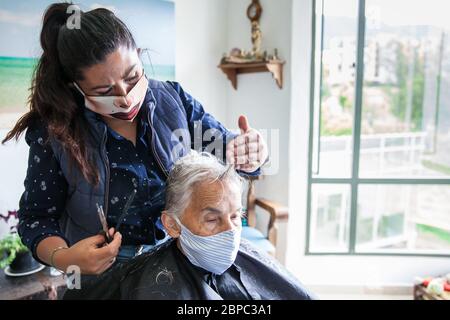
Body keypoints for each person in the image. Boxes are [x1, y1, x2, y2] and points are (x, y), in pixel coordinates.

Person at [2, 3, 268, 276]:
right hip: (106, 275)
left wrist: (250, 153)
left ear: (139, 57)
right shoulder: (54, 133)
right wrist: (65, 257)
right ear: (77, 87)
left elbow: (230, 151)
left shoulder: (173, 101)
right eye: (105, 91)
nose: (126, 98)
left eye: (132, 77)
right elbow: (37, 220)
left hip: (177, 258)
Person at [64, 151, 314, 300]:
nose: (230, 232)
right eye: (212, 219)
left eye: (236, 216)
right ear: (172, 225)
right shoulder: (146, 283)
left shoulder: (249, 256)